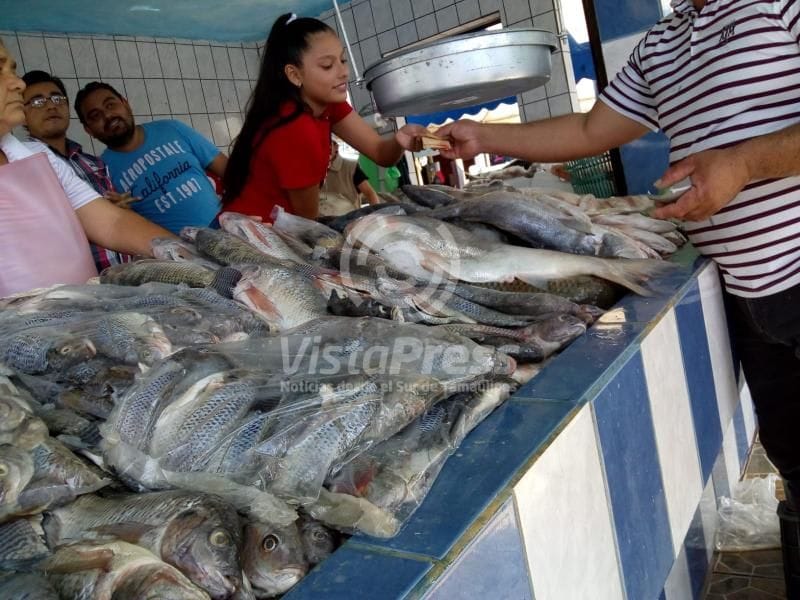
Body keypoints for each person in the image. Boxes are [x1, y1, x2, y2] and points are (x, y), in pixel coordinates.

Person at [437, 0, 800, 594]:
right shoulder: (662, 43)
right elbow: (588, 131)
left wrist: (742, 164)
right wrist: (484, 135)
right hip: (751, 300)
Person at [0, 41, 173, 298]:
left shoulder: (37, 157)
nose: (18, 83)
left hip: (88, 312)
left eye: (12, 69)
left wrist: (193, 257)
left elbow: (112, 223)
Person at [222, 13, 426, 221]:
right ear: (295, 75)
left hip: (285, 225)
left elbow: (381, 153)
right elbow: (307, 218)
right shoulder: (296, 128)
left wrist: (400, 141)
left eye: (343, 60)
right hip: (250, 230)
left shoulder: (328, 103)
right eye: (327, 65)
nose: (343, 72)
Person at [74, 82, 228, 234]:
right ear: (89, 130)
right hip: (180, 248)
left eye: (110, 105)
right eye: (95, 116)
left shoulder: (172, 129)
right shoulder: (102, 172)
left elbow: (228, 171)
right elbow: (118, 228)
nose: (107, 115)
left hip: (228, 228)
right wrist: (122, 215)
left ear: (125, 103)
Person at [21, 70, 134, 273]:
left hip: (124, 276)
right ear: (22, 116)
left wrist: (118, 209)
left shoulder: (95, 164)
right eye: (38, 102)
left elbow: (115, 219)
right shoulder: (21, 166)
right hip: (78, 284)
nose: (51, 105)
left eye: (57, 98)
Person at [319, 139, 379, 216]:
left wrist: (375, 216)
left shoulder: (350, 167)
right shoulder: (313, 170)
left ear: (336, 147)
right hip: (320, 219)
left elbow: (369, 193)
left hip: (349, 219)